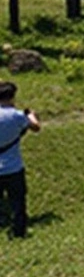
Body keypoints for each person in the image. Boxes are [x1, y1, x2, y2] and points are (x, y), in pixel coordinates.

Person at [0, 81, 41, 239]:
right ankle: (18, 233)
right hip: (13, 168)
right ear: (12, 97)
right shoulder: (17, 116)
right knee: (18, 203)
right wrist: (31, 115)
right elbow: (35, 127)